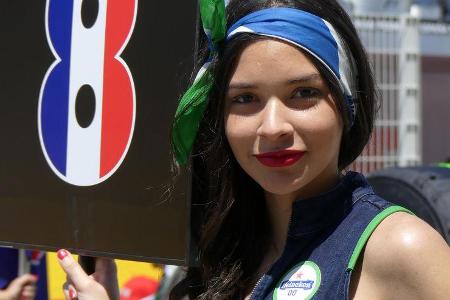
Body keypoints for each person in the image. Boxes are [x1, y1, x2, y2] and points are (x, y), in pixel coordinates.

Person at [56, 0, 450, 299]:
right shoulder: (217, 246)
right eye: (245, 99)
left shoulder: (401, 248)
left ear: (347, 102)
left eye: (304, 93)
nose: (273, 127)